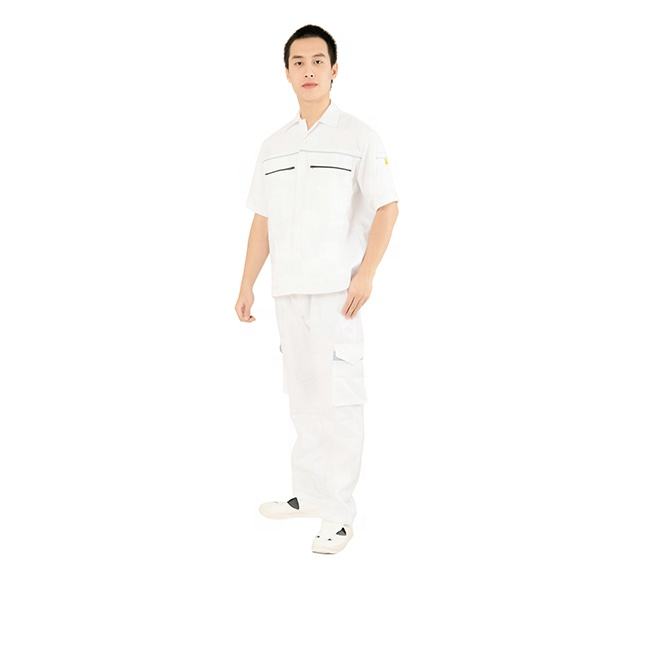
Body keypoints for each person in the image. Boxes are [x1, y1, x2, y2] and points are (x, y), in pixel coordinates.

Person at [235, 24, 399, 554]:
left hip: (337, 293)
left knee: (340, 401)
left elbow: (387, 206)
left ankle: (340, 514)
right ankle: (307, 494)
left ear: (334, 69)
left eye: (317, 61)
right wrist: (246, 284)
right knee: (303, 396)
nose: (308, 70)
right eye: (298, 62)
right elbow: (262, 220)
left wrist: (367, 272)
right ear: (286, 72)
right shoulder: (274, 146)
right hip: (288, 291)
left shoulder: (358, 136)